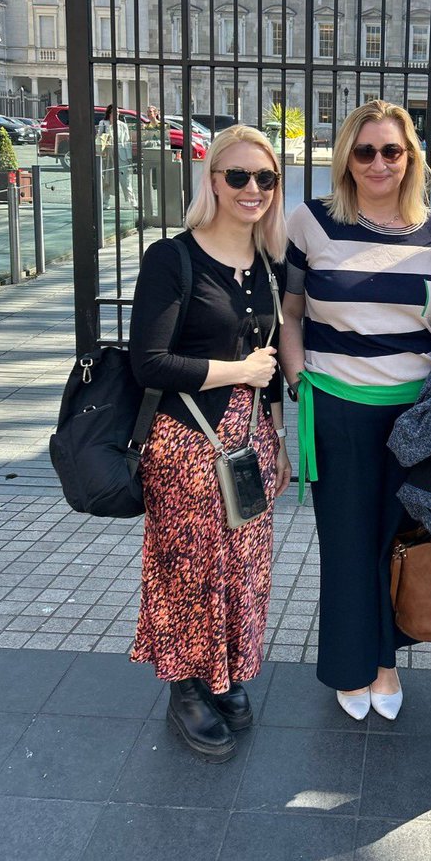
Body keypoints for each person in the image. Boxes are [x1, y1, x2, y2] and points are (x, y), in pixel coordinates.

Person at [279, 100, 431, 721]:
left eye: (391, 151)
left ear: (410, 159)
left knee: (398, 542)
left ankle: (385, 663)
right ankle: (351, 668)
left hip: (413, 417)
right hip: (336, 407)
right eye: (365, 151)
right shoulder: (311, 222)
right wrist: (298, 379)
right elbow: (290, 312)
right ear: (346, 159)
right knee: (347, 544)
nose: (379, 163)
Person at [128, 124, 291, 762]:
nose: (253, 189)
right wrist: (237, 371)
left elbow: (271, 365)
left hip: (249, 443)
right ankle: (187, 687)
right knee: (189, 570)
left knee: (243, 568)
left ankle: (224, 670)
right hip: (185, 443)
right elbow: (149, 362)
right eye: (239, 176)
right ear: (213, 181)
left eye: (266, 178)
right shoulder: (173, 259)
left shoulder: (270, 266)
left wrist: (278, 437)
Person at [97, 103, 136, 208]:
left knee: (125, 180)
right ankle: (105, 202)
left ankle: (133, 202)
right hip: (108, 154)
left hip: (121, 155)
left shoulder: (122, 125)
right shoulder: (103, 123)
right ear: (110, 113)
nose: (117, 114)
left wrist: (129, 157)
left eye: (118, 112)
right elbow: (99, 137)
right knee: (107, 178)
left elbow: (127, 142)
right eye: (115, 112)